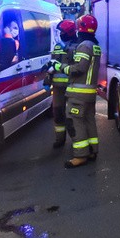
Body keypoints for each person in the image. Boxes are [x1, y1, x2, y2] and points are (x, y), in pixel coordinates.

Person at [53, 14, 101, 169]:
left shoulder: (84, 45)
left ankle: (80, 156)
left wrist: (60, 67)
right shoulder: (94, 44)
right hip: (89, 93)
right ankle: (92, 150)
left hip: (78, 93)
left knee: (74, 121)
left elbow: (79, 68)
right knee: (89, 120)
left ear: (81, 28)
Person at [47, 19, 77, 148]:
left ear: (69, 32)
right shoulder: (58, 46)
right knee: (58, 112)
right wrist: (48, 76)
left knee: (72, 116)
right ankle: (60, 139)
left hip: (72, 86)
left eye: (62, 31)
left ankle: (76, 140)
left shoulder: (78, 46)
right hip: (58, 88)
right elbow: (53, 63)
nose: (60, 34)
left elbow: (76, 66)